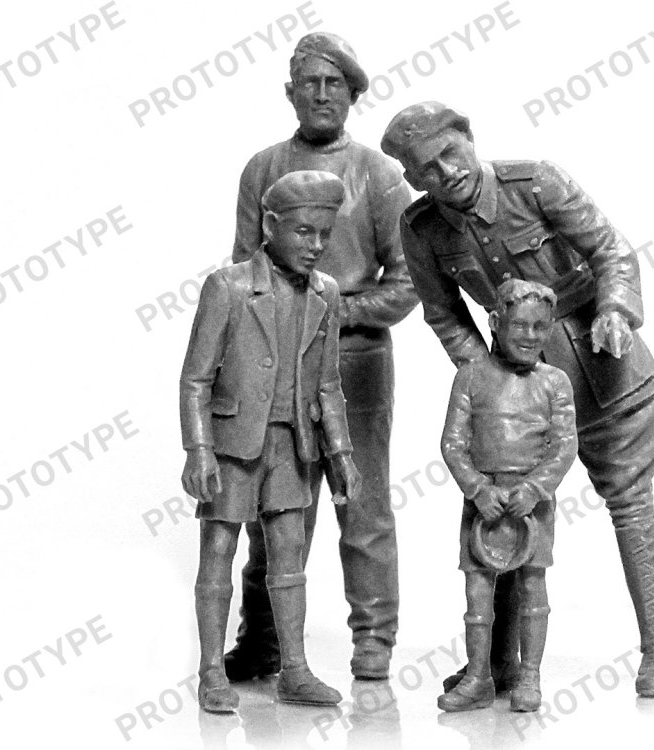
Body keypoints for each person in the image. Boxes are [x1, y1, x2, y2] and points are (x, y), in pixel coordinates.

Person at [381, 102, 654, 697]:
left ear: (470, 139)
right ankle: (498, 666)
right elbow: (444, 314)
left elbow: (611, 251)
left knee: (630, 504)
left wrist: (616, 310)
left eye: (450, 154)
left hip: (604, 372)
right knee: (505, 513)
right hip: (513, 404)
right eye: (428, 169)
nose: (446, 172)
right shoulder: (422, 230)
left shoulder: (537, 182)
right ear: (413, 179)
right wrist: (488, 380)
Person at [227, 32, 417, 681]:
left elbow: (408, 280)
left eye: (335, 82)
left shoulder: (378, 174)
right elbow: (243, 272)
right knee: (274, 505)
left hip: (357, 362)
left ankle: (374, 636)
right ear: (290, 92)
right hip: (277, 364)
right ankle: (264, 638)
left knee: (362, 502)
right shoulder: (262, 169)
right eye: (310, 81)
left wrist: (335, 314)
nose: (322, 93)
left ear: (353, 93)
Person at [180, 170, 361, 711]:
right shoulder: (228, 287)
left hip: (292, 445)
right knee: (219, 549)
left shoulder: (326, 293)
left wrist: (341, 454)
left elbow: (328, 384)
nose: (316, 245)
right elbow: (196, 378)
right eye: (304, 232)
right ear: (270, 225)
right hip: (233, 444)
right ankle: (212, 671)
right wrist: (199, 449)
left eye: (325, 233)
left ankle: (294, 669)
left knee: (289, 557)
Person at [440, 279, 577, 713]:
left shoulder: (555, 382)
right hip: (482, 505)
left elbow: (564, 446)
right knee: (477, 594)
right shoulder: (470, 376)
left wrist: (534, 488)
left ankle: (528, 675)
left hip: (532, 507)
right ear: (496, 323)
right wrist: (478, 489)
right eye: (520, 325)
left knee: (533, 587)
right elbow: (452, 444)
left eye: (540, 327)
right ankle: (478, 676)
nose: (530, 336)